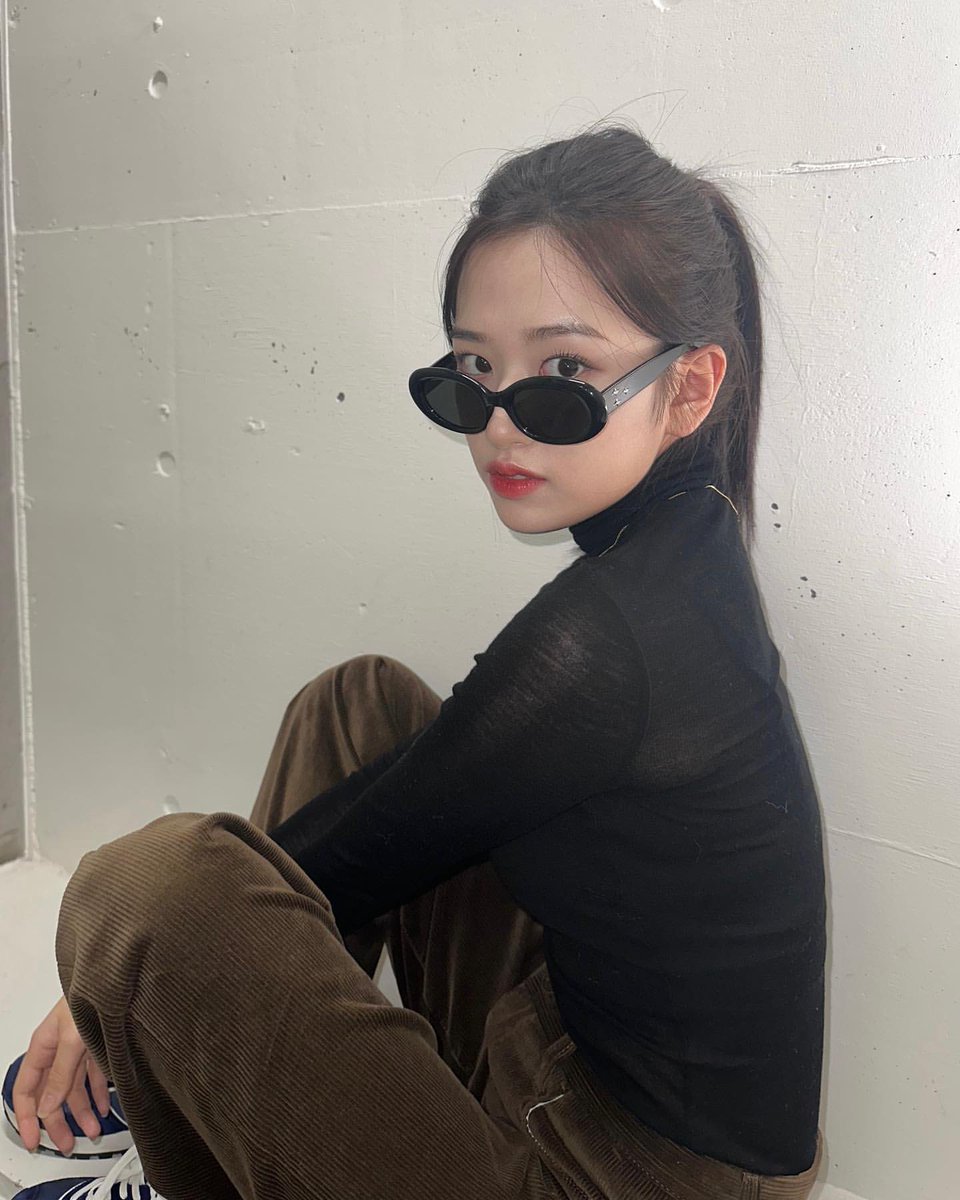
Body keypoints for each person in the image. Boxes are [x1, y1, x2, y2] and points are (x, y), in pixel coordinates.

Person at [7, 123, 826, 1200]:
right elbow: (403, 801)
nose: (499, 425)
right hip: (558, 1059)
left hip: (621, 1181)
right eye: (475, 371)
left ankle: (193, 1139)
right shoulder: (676, 551)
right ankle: (222, 1099)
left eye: (563, 372)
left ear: (689, 388)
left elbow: (367, 847)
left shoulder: (616, 633)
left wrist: (118, 985)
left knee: (146, 888)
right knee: (360, 706)